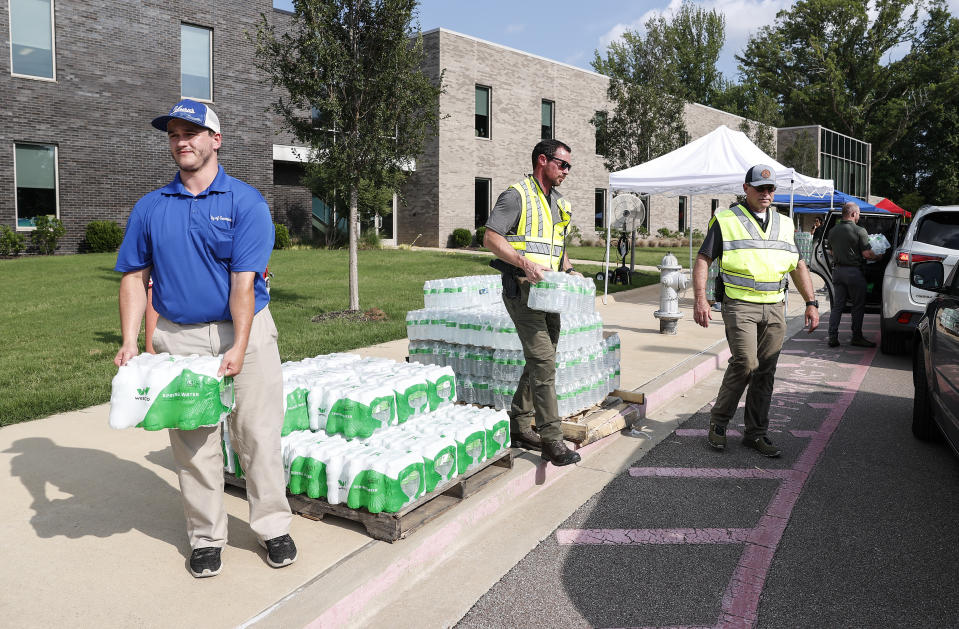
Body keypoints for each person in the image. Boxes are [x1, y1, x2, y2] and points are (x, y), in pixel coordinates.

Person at [113, 99, 296, 578]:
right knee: (194, 444)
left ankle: (272, 527)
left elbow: (244, 281)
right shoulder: (151, 207)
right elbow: (134, 277)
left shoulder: (245, 202)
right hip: (180, 340)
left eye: (191, 133)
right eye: (174, 134)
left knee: (257, 435)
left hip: (247, 334)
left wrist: (237, 345)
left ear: (215, 140)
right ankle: (206, 537)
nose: (181, 141)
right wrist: (131, 341)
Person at [693, 164, 820, 458]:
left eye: (771, 189)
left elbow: (798, 265)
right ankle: (719, 423)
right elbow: (703, 259)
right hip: (739, 304)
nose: (766, 193)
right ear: (745, 189)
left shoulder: (786, 224)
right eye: (760, 188)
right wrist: (701, 298)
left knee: (766, 370)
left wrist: (811, 303)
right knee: (745, 363)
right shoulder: (725, 220)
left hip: (775, 306)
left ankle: (756, 433)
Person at [483, 139, 581, 467]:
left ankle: (520, 423)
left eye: (569, 166)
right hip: (521, 289)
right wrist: (523, 262)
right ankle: (552, 440)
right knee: (543, 361)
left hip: (549, 292)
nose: (566, 171)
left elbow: (557, 245)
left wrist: (568, 270)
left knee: (543, 357)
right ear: (543, 160)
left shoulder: (559, 203)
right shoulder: (516, 195)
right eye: (562, 164)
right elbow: (491, 237)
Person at [825, 202, 878, 348]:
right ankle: (856, 337)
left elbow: (831, 252)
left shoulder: (833, 231)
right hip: (854, 272)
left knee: (838, 306)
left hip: (838, 272)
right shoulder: (860, 230)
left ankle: (832, 336)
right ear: (853, 214)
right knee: (858, 305)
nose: (859, 216)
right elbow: (867, 254)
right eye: (859, 214)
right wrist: (879, 256)